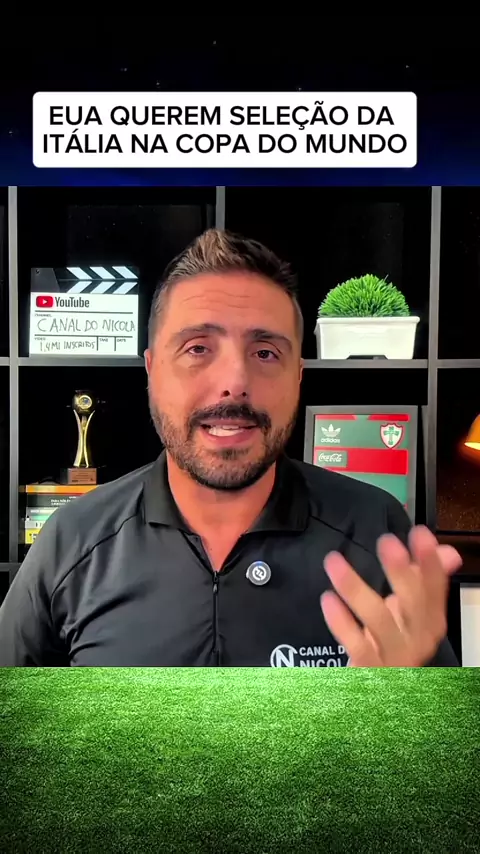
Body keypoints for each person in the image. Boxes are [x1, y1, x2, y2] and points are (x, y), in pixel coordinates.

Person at [0, 228, 462, 667]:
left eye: (265, 353)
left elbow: (440, 724)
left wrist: (398, 704)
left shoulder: (376, 531)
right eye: (198, 348)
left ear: (298, 376)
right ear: (152, 370)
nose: (235, 382)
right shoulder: (71, 541)